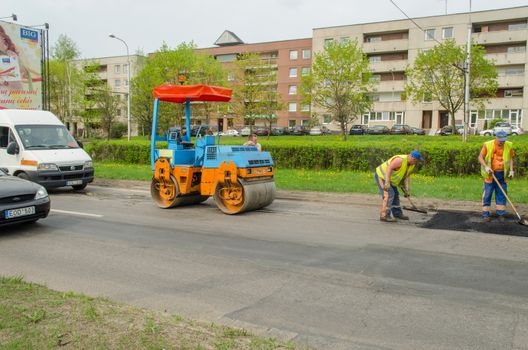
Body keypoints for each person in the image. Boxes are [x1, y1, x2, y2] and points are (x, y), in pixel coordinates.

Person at [375, 150, 424, 222]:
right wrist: (387, 182)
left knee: (396, 194)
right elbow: (389, 169)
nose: (417, 162)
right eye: (417, 160)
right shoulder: (400, 160)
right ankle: (384, 215)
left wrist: (407, 189)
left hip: (391, 179)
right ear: (413, 158)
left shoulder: (411, 164)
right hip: (382, 176)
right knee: (389, 194)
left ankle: (397, 213)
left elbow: (407, 176)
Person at [478, 130, 514, 222]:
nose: (502, 142)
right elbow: (480, 157)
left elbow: (510, 158)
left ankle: (501, 213)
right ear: (496, 137)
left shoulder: (508, 145)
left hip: (502, 175)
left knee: (502, 194)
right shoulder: (488, 145)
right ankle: (485, 214)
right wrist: (486, 167)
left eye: (504, 140)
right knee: (487, 194)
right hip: (490, 175)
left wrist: (511, 170)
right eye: (500, 140)